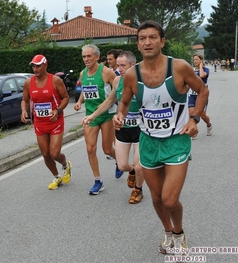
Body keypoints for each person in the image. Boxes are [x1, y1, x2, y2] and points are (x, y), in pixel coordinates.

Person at [115, 20, 208, 255]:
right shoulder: (131, 76)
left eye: (153, 37)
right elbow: (125, 102)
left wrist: (194, 118)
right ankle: (168, 232)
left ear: (162, 41)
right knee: (156, 198)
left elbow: (203, 90)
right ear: (138, 44)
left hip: (176, 141)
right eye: (143, 38)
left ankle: (179, 232)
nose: (148, 42)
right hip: (148, 141)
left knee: (169, 199)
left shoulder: (179, 68)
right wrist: (119, 115)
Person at [82, 51, 145, 203]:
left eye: (123, 66)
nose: (120, 68)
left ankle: (138, 189)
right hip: (123, 127)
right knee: (123, 165)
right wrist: (93, 115)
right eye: (118, 65)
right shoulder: (117, 81)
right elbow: (110, 101)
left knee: (138, 166)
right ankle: (131, 173)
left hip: (141, 129)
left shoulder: (144, 81)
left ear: (133, 65)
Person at [20, 54, 72, 190]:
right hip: (40, 123)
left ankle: (66, 165)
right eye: (33, 66)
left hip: (55, 121)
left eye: (38, 66)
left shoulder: (55, 80)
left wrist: (58, 110)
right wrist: (24, 111)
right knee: (45, 154)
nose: (35, 69)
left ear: (45, 65)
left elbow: (66, 98)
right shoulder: (28, 83)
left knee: (54, 153)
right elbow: (25, 99)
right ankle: (56, 176)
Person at [74, 44, 118, 195]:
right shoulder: (82, 73)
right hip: (90, 115)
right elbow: (85, 90)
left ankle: (119, 161)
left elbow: (117, 91)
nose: (86, 59)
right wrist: (80, 101)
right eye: (84, 57)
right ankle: (98, 180)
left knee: (107, 149)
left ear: (97, 57)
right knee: (90, 148)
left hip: (106, 115)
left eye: (89, 56)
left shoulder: (106, 73)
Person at [189, 54, 213, 137]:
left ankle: (209, 125)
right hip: (192, 94)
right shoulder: (191, 70)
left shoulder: (205, 69)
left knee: (202, 115)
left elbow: (202, 75)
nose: (195, 61)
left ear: (201, 60)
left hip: (202, 95)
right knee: (191, 113)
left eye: (196, 59)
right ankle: (194, 132)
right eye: (194, 60)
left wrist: (201, 67)